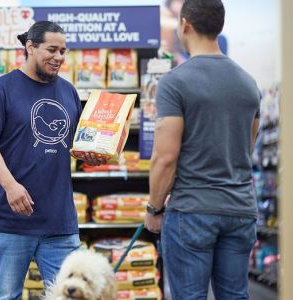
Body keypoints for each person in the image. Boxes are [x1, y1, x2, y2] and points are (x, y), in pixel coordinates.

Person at [0, 21, 105, 300]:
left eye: (63, 51)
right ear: (30, 47)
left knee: (71, 296)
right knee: (7, 295)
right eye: (51, 49)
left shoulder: (68, 91)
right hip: (11, 218)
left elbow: (75, 144)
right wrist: (10, 185)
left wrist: (92, 154)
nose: (59, 57)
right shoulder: (0, 89)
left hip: (59, 220)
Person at [144, 0, 261, 299]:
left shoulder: (175, 82)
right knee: (235, 295)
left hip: (192, 209)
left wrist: (154, 208)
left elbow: (165, 158)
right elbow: (245, 149)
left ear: (185, 25)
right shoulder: (249, 84)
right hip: (240, 210)